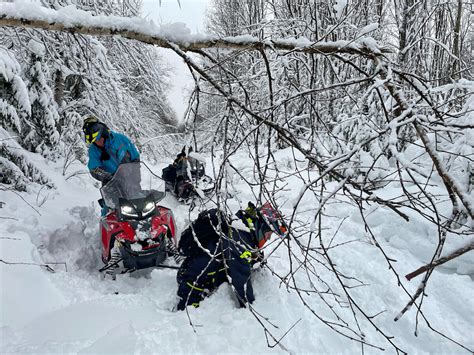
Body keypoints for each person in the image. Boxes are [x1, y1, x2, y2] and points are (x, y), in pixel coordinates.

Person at [175, 202, 287, 311]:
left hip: (196, 271)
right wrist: (251, 308)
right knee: (185, 316)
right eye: (269, 234)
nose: (268, 239)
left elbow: (237, 256)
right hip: (193, 283)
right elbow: (241, 279)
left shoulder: (240, 226)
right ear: (261, 227)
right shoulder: (240, 239)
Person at [82, 115, 140, 185]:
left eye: (99, 138)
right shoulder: (93, 150)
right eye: (95, 141)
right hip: (111, 186)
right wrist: (108, 177)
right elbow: (94, 168)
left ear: (104, 134)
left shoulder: (121, 139)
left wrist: (136, 176)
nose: (98, 142)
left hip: (131, 181)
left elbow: (135, 157)